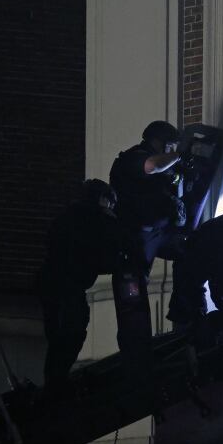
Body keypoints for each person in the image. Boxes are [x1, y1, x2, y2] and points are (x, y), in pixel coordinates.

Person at [108, 120, 187, 379]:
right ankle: (136, 358)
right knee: (132, 297)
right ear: (159, 141)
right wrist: (180, 154)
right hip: (134, 242)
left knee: (191, 253)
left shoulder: (163, 165)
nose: (172, 149)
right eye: (170, 144)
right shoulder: (133, 159)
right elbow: (152, 166)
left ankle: (187, 311)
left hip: (160, 234)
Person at [37, 179, 120, 395]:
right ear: (103, 199)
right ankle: (56, 383)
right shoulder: (100, 220)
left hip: (50, 281)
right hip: (69, 285)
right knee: (72, 331)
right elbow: (108, 253)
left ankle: (54, 380)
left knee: (57, 335)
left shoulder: (67, 216)